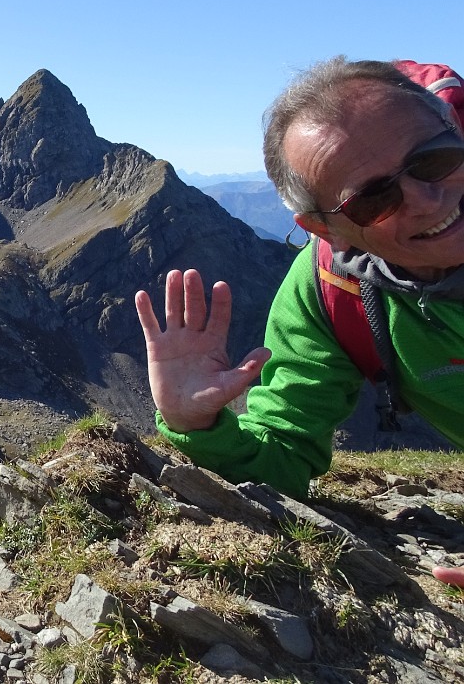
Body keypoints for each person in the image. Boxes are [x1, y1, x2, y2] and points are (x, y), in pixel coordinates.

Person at [134, 57, 464, 588]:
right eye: (375, 199)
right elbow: (283, 457)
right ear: (325, 227)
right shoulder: (333, 295)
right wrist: (196, 422)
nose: (429, 199)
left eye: (434, 159)